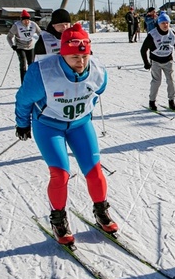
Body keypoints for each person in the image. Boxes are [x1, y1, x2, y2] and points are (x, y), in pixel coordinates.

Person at [14, 23, 115, 245]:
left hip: (80, 125)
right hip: (49, 126)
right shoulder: (43, 73)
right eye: (74, 57)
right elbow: (23, 100)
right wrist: (23, 124)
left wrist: (84, 111)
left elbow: (97, 93)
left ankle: (101, 211)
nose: (80, 62)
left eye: (84, 56)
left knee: (95, 171)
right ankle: (58, 219)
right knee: (60, 175)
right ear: (63, 54)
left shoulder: (98, 72)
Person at [141, 11, 175, 112]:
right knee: (156, 82)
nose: (165, 25)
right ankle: (152, 102)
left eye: (167, 23)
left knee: (171, 81)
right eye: (163, 23)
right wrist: (146, 63)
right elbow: (143, 50)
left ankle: (171, 101)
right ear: (158, 24)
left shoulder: (173, 34)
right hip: (155, 61)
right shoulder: (153, 34)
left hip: (168, 61)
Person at [6, 10, 42, 83]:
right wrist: (12, 45)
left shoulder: (33, 25)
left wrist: (42, 42)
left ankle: (31, 81)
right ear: (21, 20)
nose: (26, 22)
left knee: (31, 64)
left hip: (30, 46)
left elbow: (40, 34)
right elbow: (9, 37)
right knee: (23, 63)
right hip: (20, 46)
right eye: (24, 20)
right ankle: (23, 82)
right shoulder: (16, 26)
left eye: (28, 20)